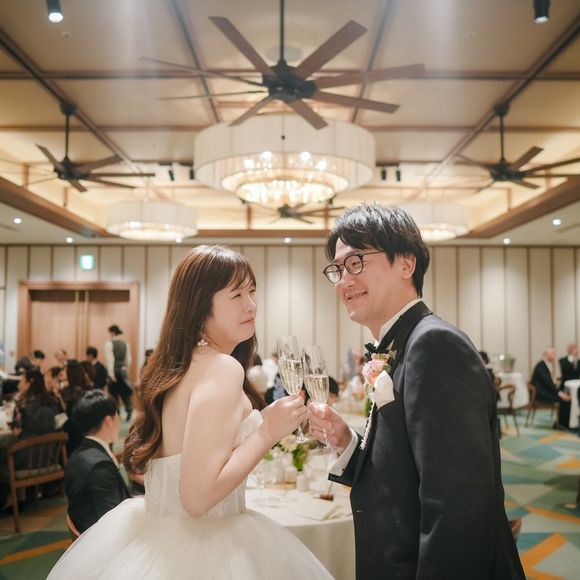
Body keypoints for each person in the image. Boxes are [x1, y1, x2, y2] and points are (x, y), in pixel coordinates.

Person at [48, 245, 331, 579]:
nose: (251, 304)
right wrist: (267, 432)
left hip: (157, 538)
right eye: (236, 294)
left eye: (252, 291)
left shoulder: (179, 366)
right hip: (208, 545)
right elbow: (197, 498)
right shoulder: (222, 368)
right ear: (200, 306)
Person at [308, 204, 525, 580]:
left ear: (406, 264)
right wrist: (347, 441)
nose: (344, 281)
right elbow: (402, 473)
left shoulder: (434, 344)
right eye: (338, 269)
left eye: (356, 262)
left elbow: (457, 505)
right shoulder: (400, 344)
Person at [65, 390, 131, 533]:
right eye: (117, 414)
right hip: (104, 538)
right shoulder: (100, 466)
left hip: (89, 531)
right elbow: (113, 522)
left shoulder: (75, 456)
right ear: (108, 421)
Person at [531, 346, 571, 428]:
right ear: (546, 354)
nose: (554, 355)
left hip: (545, 391)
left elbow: (548, 383)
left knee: (565, 397)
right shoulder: (541, 366)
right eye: (552, 353)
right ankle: (562, 424)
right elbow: (548, 384)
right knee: (565, 400)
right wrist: (559, 393)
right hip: (541, 395)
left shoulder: (544, 365)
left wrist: (559, 392)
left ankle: (562, 423)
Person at [105, 325, 133, 421]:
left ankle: (117, 414)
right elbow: (128, 359)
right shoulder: (126, 343)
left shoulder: (109, 344)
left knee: (113, 394)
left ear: (112, 332)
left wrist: (111, 373)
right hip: (123, 371)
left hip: (114, 372)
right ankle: (129, 409)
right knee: (125, 393)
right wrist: (126, 370)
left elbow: (110, 360)